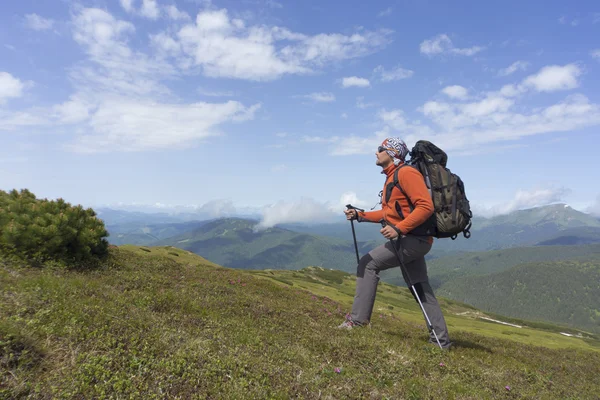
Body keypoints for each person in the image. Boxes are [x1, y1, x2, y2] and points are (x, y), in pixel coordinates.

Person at [338, 137, 452, 350]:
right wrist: (360, 215)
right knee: (419, 286)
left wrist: (399, 228)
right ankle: (440, 341)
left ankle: (357, 321)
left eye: (381, 148)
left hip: (411, 239)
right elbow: (390, 212)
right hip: (415, 238)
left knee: (367, 264)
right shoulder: (394, 176)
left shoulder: (406, 174)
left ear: (392, 153)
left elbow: (425, 206)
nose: (376, 152)